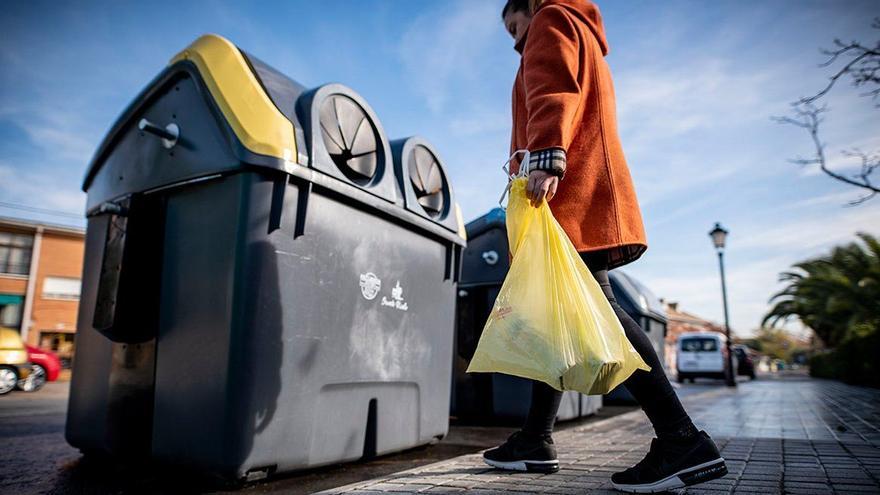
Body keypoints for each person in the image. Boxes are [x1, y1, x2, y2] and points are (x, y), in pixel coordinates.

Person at [482, 0, 729, 492]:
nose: (514, 38)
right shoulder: (582, 32)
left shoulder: (552, 20)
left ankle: (682, 439)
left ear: (529, 7)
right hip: (584, 190)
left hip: (570, 194)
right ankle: (536, 439)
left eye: (514, 24)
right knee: (552, 319)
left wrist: (547, 156)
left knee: (599, 310)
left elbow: (554, 87)